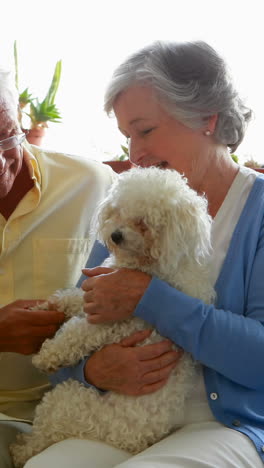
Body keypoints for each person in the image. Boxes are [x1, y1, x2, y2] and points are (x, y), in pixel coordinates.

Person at [24, 40, 264, 468]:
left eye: (145, 130)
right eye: (126, 137)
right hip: (118, 414)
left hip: (227, 425)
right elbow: (77, 333)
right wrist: (93, 371)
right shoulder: (131, 208)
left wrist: (149, 297)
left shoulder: (259, 211)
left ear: (206, 117)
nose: (134, 154)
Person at [0, 68, 116, 468]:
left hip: (74, 411)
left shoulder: (94, 186)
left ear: (18, 116)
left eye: (4, 135)